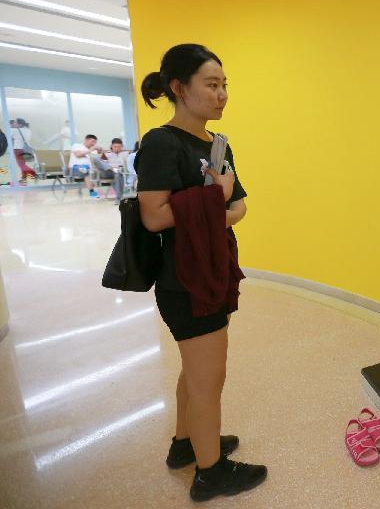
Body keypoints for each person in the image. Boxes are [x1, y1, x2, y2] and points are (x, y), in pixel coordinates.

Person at [136, 43, 266, 502]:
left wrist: (218, 205)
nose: (222, 94)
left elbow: (239, 206)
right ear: (178, 87)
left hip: (213, 271)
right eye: (211, 85)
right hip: (185, 281)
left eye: (224, 84)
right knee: (209, 380)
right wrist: (215, 200)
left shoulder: (217, 145)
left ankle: (185, 443)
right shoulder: (161, 143)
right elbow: (153, 215)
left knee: (195, 371)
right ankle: (210, 473)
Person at [10, 118, 37, 183]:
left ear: (20, 124)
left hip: (18, 149)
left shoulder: (14, 130)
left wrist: (11, 127)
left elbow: (8, 137)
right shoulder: (28, 130)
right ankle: (24, 179)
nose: (13, 123)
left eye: (15, 122)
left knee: (21, 165)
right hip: (27, 149)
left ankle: (34, 173)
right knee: (23, 164)